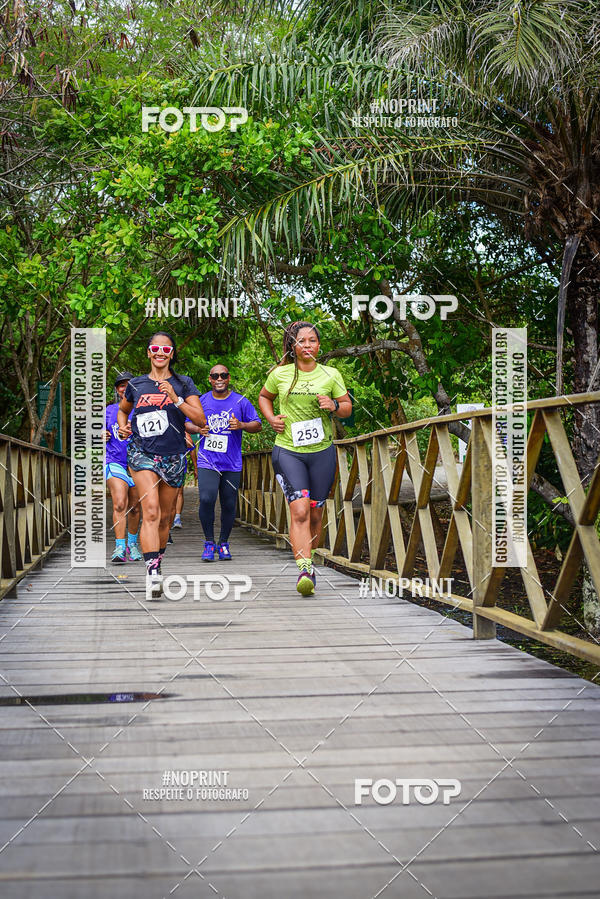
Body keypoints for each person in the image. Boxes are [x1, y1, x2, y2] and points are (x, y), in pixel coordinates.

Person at [258, 322, 352, 595]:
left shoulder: (331, 374)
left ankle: (308, 558)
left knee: (315, 510)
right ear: (293, 346)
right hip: (288, 450)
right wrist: (271, 418)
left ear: (318, 345)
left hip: (321, 452)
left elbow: (347, 408)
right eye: (302, 341)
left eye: (312, 340)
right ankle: (305, 568)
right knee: (299, 510)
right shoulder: (281, 374)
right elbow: (265, 397)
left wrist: (334, 405)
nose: (308, 345)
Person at [117, 332, 206, 597]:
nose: (160, 352)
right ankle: (152, 571)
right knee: (152, 511)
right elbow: (123, 410)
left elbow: (200, 420)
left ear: (171, 353)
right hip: (142, 453)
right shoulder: (136, 385)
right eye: (155, 347)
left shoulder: (184, 383)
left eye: (165, 349)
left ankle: (158, 559)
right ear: (148, 352)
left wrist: (176, 399)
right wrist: (123, 428)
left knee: (165, 518)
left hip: (174, 455)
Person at [186, 363, 261, 561]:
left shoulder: (240, 401)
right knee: (207, 499)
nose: (219, 379)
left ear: (228, 378)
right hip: (207, 461)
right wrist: (197, 429)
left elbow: (258, 424)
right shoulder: (201, 401)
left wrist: (242, 425)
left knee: (229, 503)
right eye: (215, 376)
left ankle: (224, 543)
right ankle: (209, 543)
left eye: (223, 375)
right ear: (210, 379)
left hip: (231, 462)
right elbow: (187, 422)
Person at [104, 372, 142, 563]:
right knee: (120, 503)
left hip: (138, 463)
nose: (125, 388)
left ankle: (132, 544)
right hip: (115, 461)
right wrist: (101, 436)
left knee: (135, 508)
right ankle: (119, 547)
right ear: (117, 389)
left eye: (129, 385)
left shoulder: (143, 410)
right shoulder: (109, 411)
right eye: (121, 385)